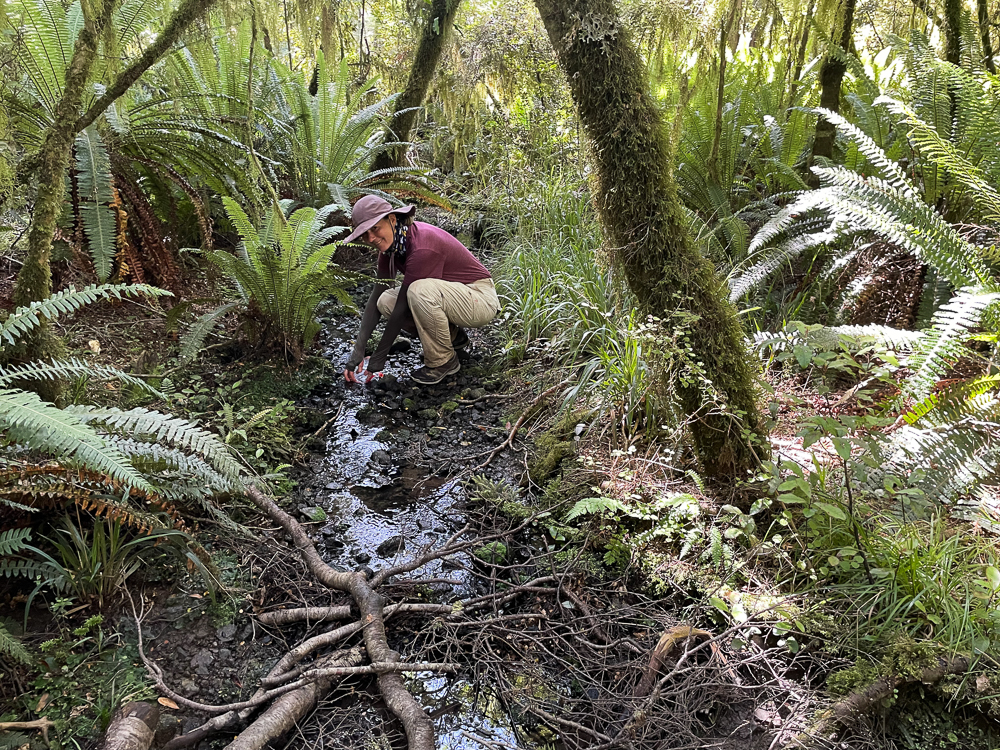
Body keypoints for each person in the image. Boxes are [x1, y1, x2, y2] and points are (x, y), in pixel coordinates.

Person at [342, 195, 500, 385]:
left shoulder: (422, 246)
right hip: (454, 297)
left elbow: (402, 307)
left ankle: (443, 362)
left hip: (479, 298)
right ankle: (454, 338)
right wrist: (358, 351)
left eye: (375, 229)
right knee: (385, 300)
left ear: (392, 219)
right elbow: (376, 296)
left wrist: (378, 358)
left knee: (418, 291)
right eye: (365, 233)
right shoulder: (390, 250)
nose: (371, 238)